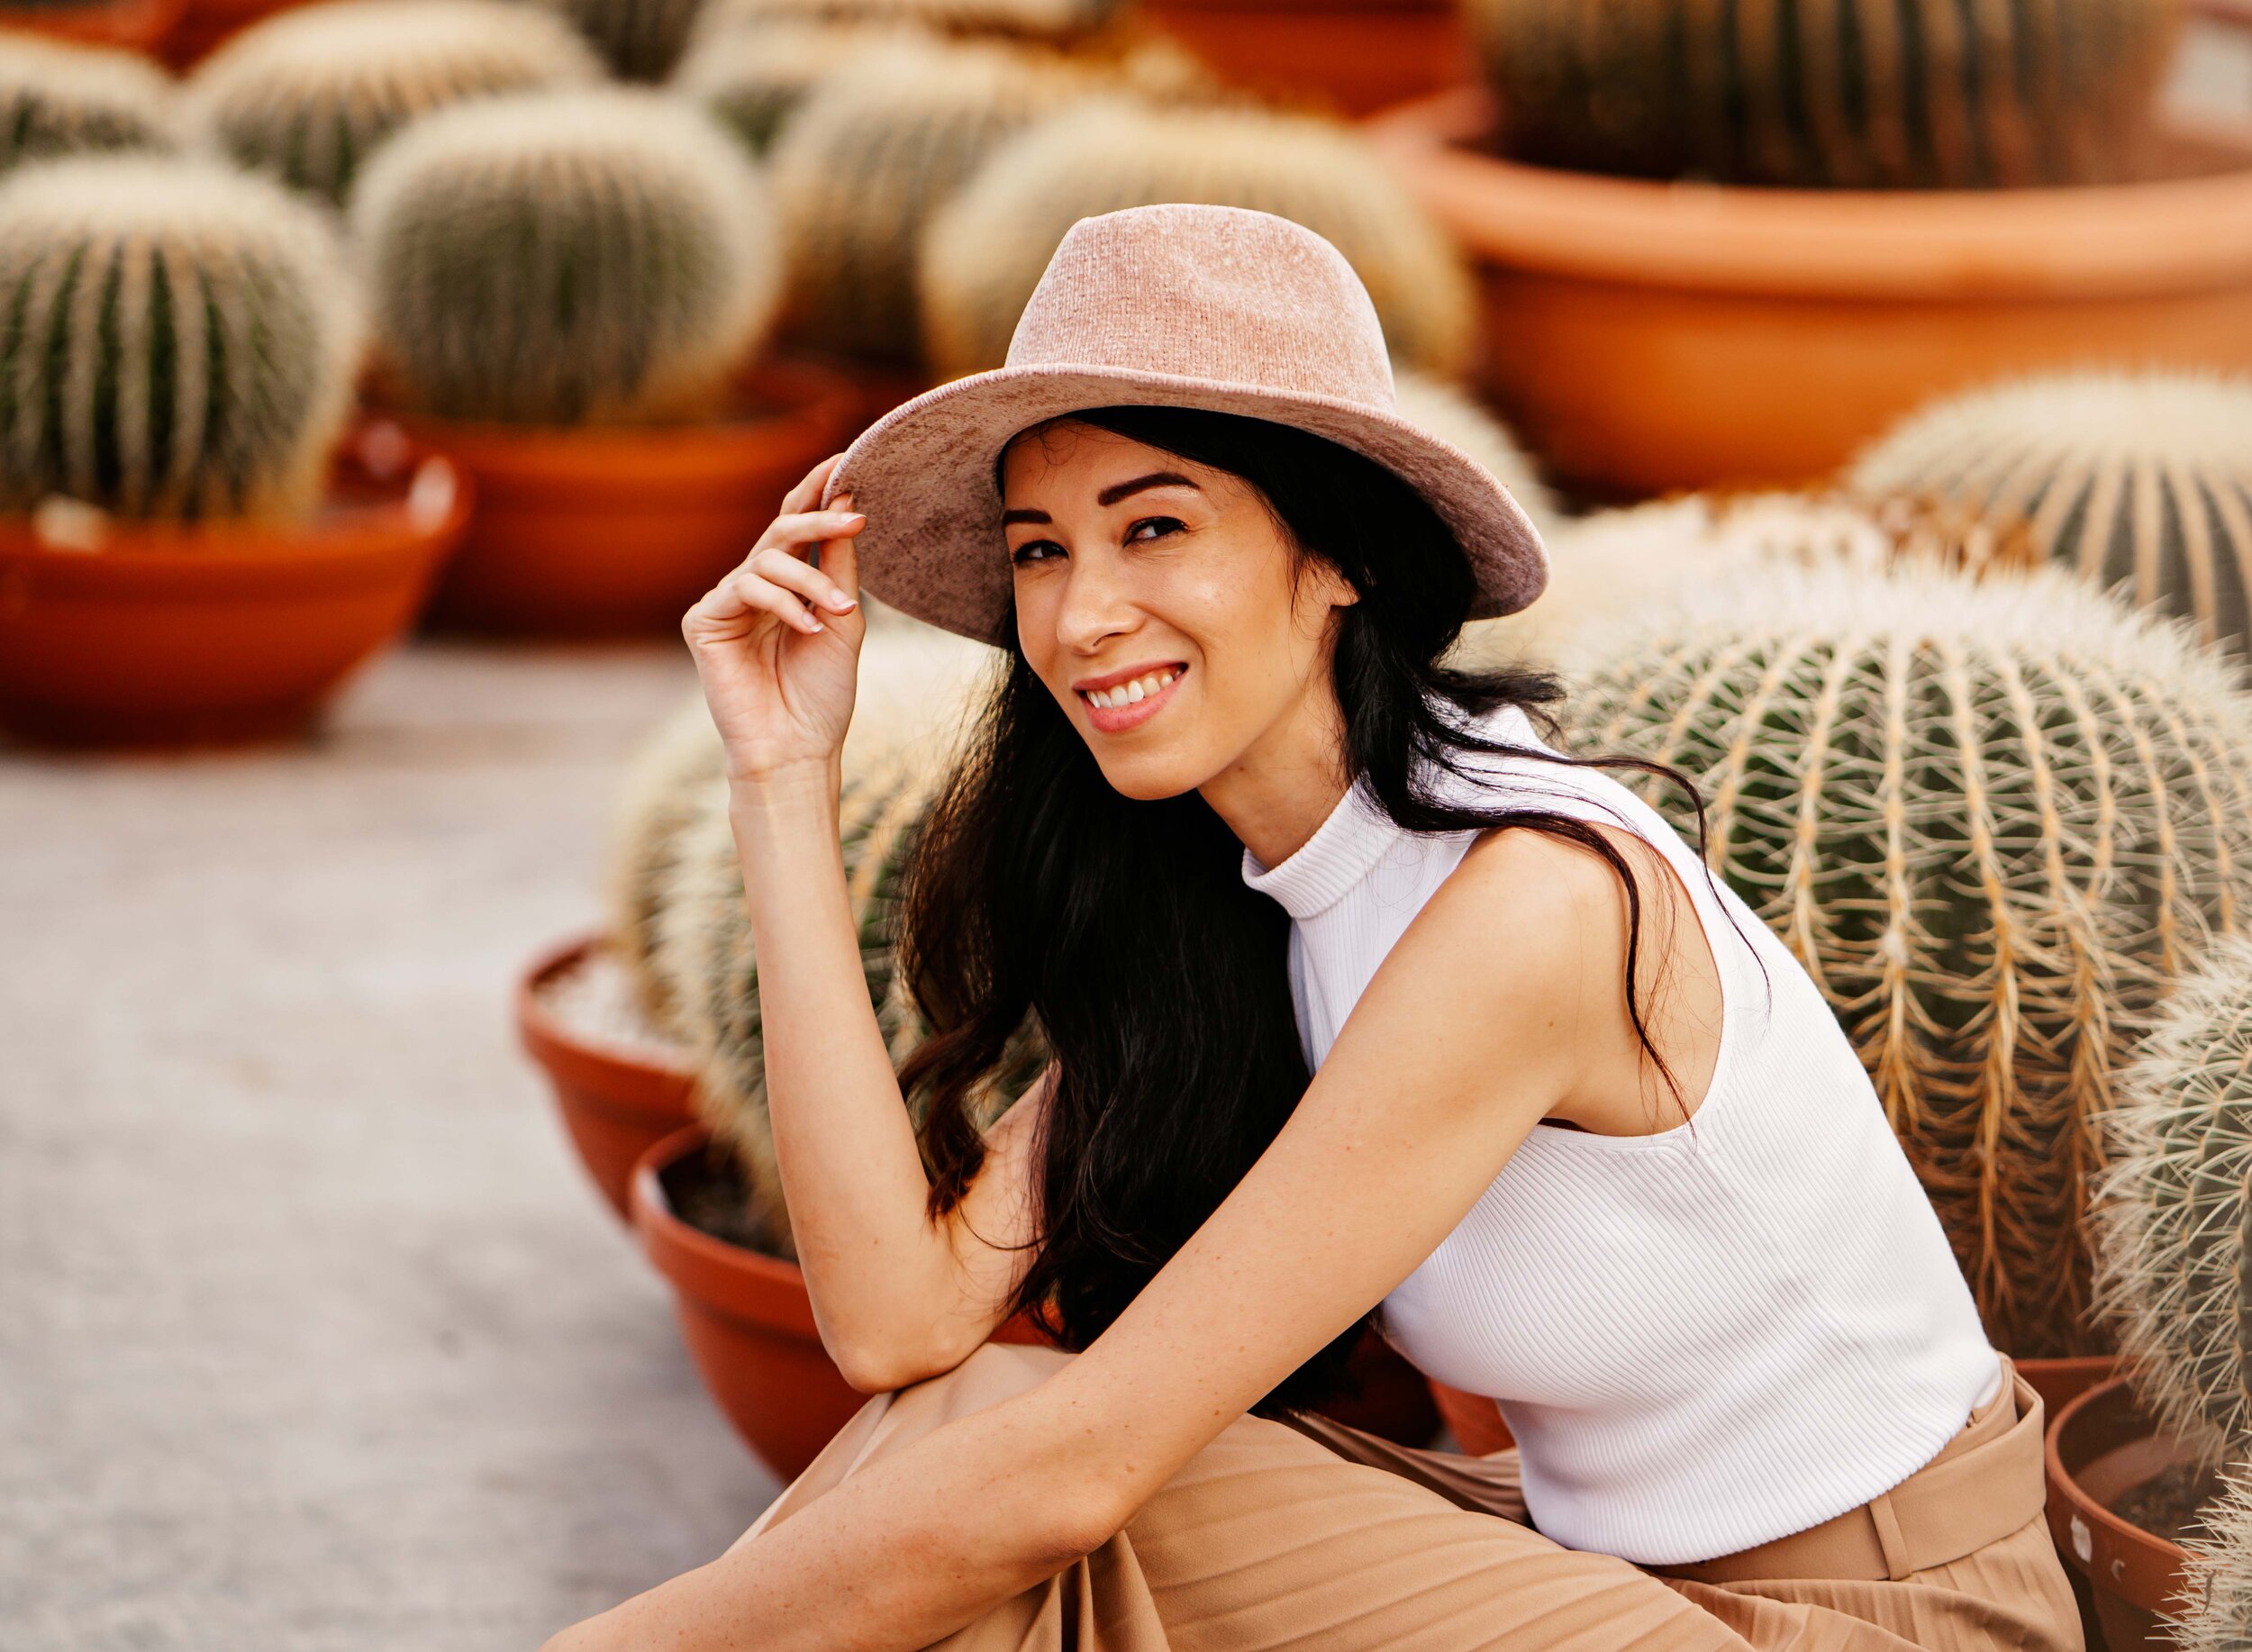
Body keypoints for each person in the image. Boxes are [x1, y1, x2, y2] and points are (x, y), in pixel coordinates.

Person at [544, 204, 2083, 1651]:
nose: (1080, 618)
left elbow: (1072, 1474)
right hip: (1622, 1579)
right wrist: (780, 776)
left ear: (1340, 552)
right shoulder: (1256, 905)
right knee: (975, 1421)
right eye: (1040, 548)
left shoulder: (1523, 906)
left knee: (1064, 1480)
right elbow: (899, 1320)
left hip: (1884, 1612)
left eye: (1154, 527)